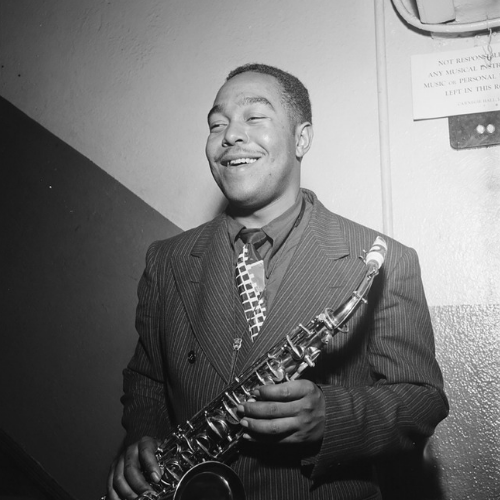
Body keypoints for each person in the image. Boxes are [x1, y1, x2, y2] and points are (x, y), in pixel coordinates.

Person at [105, 63, 449, 500]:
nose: (229, 135)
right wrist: (143, 439)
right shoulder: (166, 259)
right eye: (217, 124)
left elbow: (423, 400)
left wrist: (332, 417)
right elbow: (146, 379)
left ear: (302, 138)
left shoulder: (386, 260)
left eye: (254, 117)